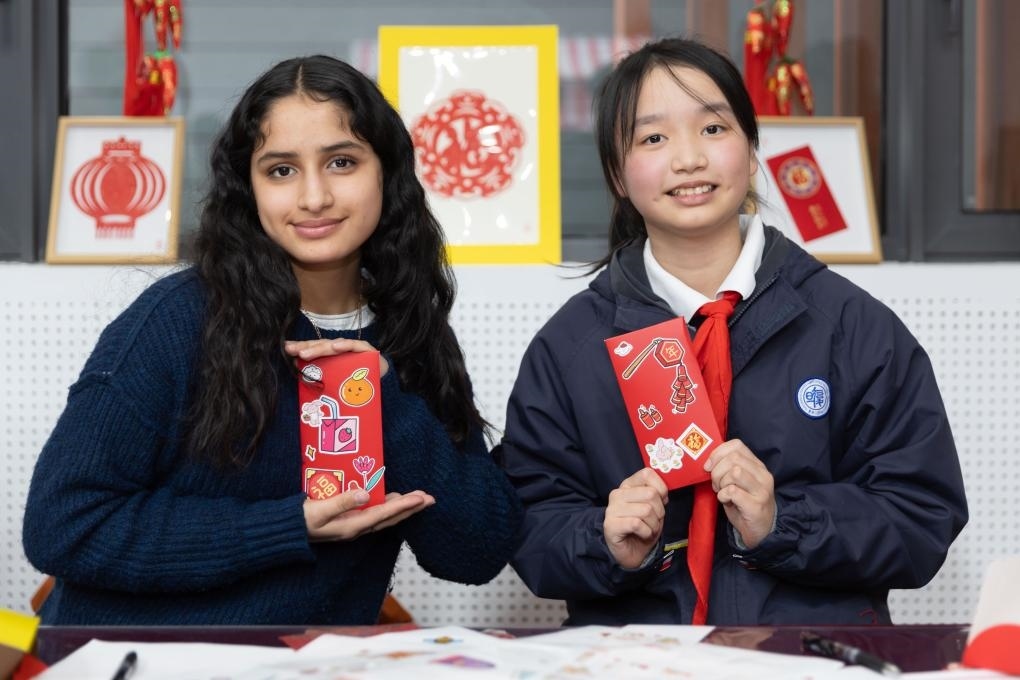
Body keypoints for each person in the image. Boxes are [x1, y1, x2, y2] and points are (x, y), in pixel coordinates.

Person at [22, 54, 522, 625]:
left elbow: (477, 551)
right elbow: (63, 526)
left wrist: (384, 399)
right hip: (136, 658)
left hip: (310, 661)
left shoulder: (410, 332)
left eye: (341, 162)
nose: (314, 197)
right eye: (281, 170)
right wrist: (288, 526)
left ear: (387, 172)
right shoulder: (178, 319)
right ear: (249, 188)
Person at [496, 37, 968, 626]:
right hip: (637, 658)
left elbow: (922, 514)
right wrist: (603, 540)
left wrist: (782, 523)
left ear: (751, 152)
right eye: (653, 138)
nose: (688, 158)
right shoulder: (569, 348)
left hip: (807, 656)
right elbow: (527, 520)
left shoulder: (852, 326)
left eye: (713, 129)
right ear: (617, 174)